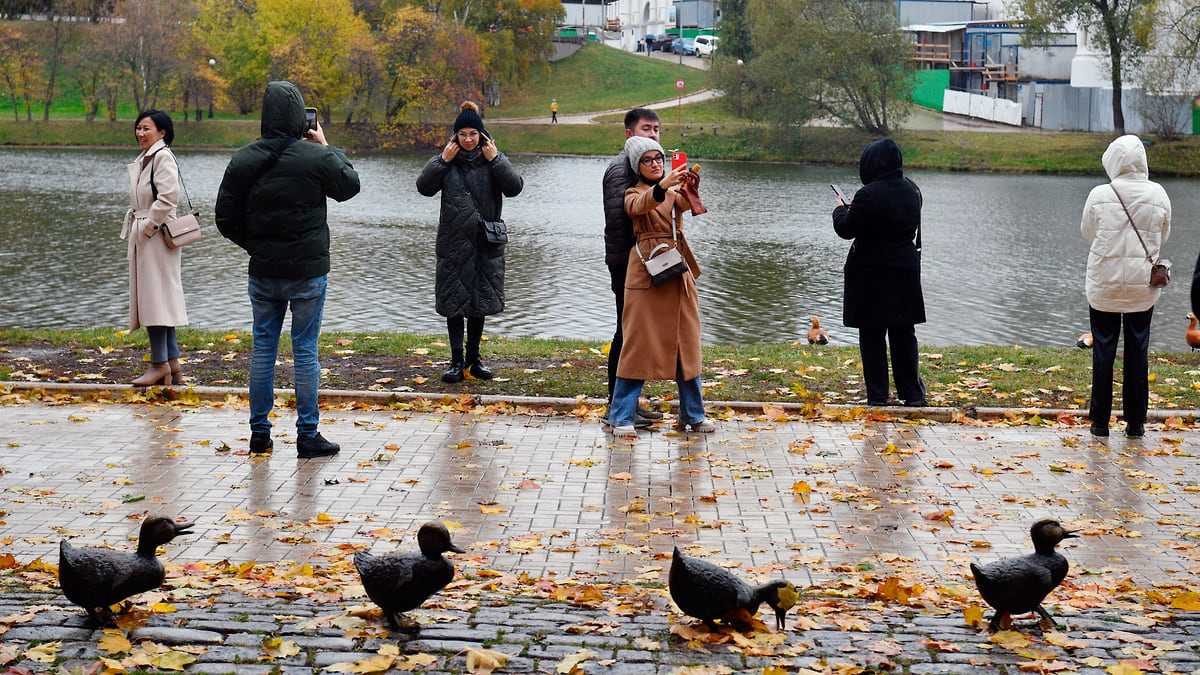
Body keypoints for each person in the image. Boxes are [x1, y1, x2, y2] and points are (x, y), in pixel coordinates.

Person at [215, 81, 361, 458]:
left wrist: (258, 246)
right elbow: (350, 186)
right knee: (305, 349)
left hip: (263, 271)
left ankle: (260, 434)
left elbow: (224, 219)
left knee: (263, 347)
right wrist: (326, 147)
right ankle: (307, 435)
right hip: (308, 273)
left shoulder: (244, 159)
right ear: (300, 117)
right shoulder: (315, 158)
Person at [607, 136, 711, 437]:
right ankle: (621, 417)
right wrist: (663, 185)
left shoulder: (670, 190)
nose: (656, 164)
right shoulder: (633, 192)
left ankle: (693, 414)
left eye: (659, 159)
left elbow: (689, 205)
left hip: (677, 273)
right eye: (648, 160)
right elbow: (637, 206)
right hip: (646, 274)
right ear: (637, 166)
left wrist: (690, 185)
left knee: (687, 345)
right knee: (637, 347)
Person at [417, 101, 523, 383]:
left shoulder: (492, 162)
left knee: (479, 302)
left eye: (472, 134)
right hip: (453, 244)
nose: (467, 139)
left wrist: (497, 158)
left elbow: (515, 187)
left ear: (482, 136)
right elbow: (423, 187)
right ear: (455, 137)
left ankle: (474, 359)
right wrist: (442, 159)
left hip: (485, 244)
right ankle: (455, 361)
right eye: (462, 134)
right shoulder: (447, 164)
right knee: (455, 302)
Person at [1082, 134, 1171, 439]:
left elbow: (1088, 233)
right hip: (1141, 288)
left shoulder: (1099, 194)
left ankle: (1099, 422)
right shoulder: (1158, 194)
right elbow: (1163, 236)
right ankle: (1136, 423)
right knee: (1138, 350)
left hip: (1104, 284)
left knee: (1103, 350)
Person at [832, 138, 927, 408]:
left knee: (872, 335)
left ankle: (877, 395)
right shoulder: (912, 190)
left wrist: (840, 208)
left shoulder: (867, 195)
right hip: (904, 272)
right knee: (903, 333)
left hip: (872, 275)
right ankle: (913, 394)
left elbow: (846, 229)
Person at [601, 108, 666, 427]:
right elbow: (620, 222)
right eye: (646, 129)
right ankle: (617, 406)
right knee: (625, 332)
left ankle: (627, 403)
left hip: (643, 262)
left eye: (656, 129)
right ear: (629, 134)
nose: (653, 134)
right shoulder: (620, 170)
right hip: (627, 264)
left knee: (634, 334)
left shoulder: (643, 167)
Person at [123, 109, 189, 386]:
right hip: (149, 235)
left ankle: (159, 364)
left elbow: (168, 198)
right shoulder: (149, 157)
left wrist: (148, 228)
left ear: (162, 132)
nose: (140, 133)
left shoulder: (162, 157)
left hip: (155, 237)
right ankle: (172, 366)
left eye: (146, 128)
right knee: (159, 301)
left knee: (155, 302)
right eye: (138, 128)